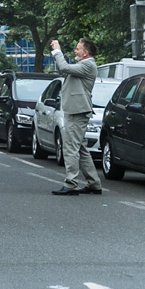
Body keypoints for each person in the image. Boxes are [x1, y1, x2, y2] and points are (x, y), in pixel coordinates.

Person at [50, 38, 103, 196]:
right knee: (80, 148)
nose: (75, 51)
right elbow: (64, 70)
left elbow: (64, 67)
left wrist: (57, 50)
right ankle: (93, 183)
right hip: (76, 109)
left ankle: (71, 183)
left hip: (77, 111)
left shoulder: (88, 64)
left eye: (78, 49)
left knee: (71, 148)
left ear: (85, 53)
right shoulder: (82, 65)